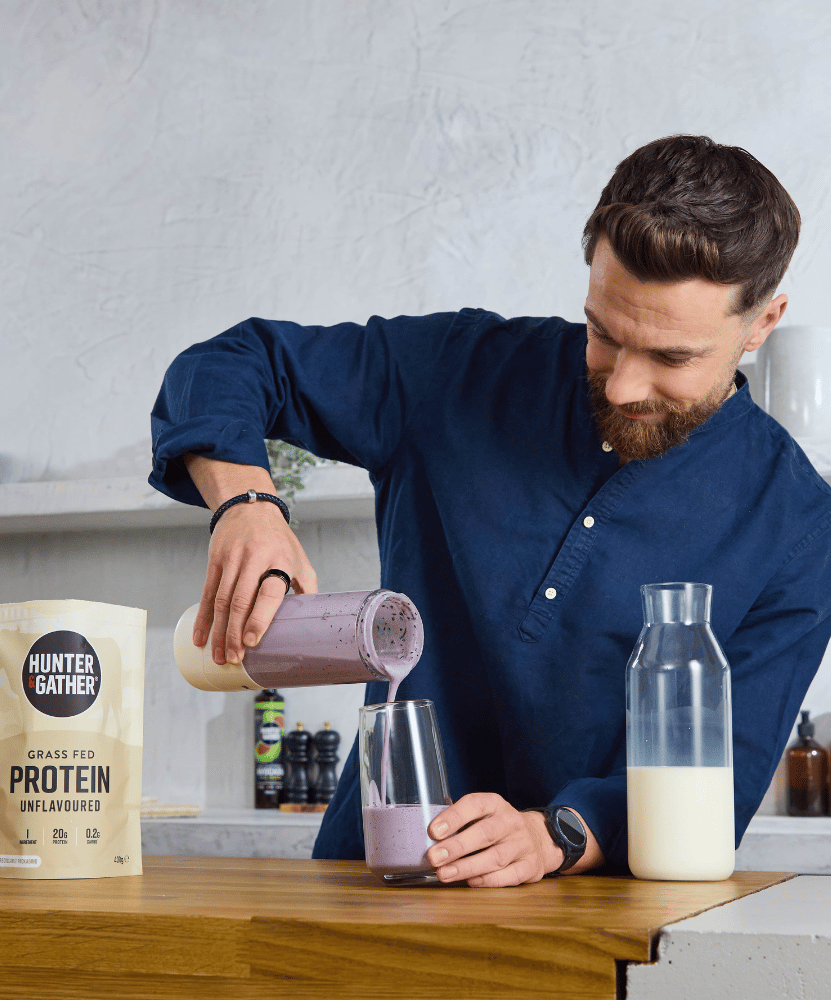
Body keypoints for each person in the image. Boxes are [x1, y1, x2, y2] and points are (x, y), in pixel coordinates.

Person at [150, 135, 831, 886]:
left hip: (591, 922)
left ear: (762, 323)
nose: (622, 386)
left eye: (672, 358)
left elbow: (723, 779)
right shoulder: (457, 371)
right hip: (368, 888)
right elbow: (228, 364)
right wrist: (246, 502)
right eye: (603, 334)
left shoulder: (801, 526)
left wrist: (553, 834)